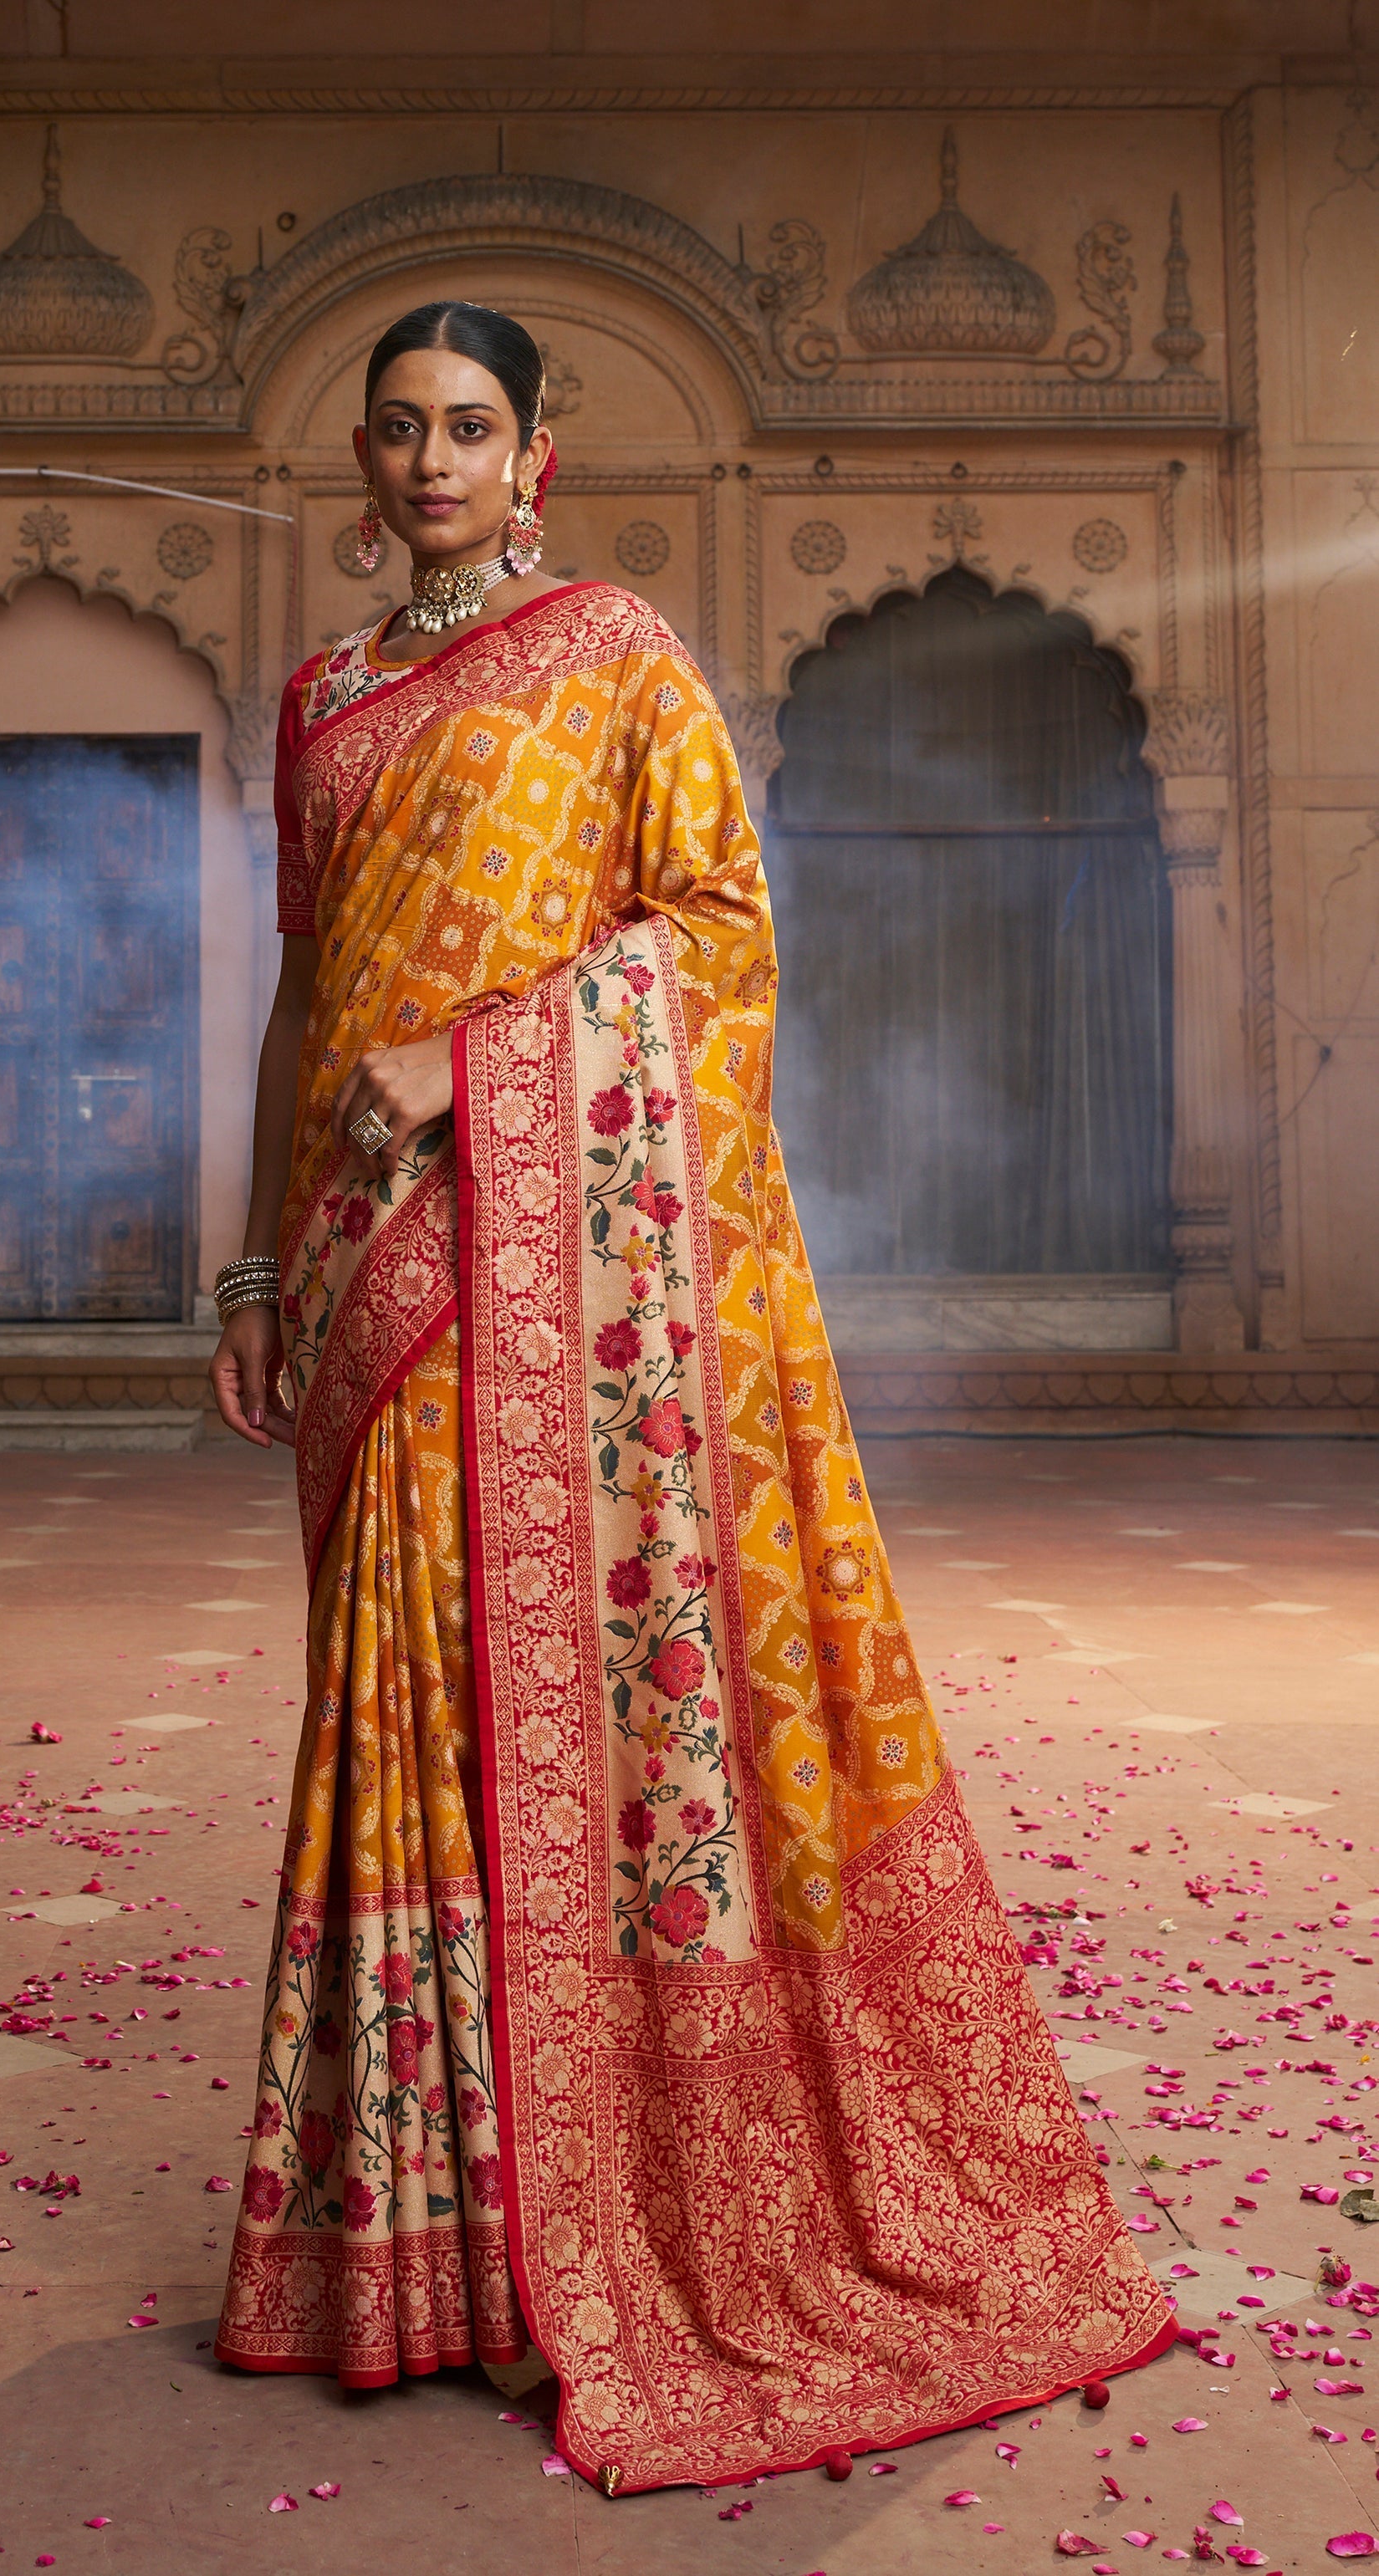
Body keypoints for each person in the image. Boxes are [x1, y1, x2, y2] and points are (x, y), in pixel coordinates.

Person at [207, 298, 1172, 2497]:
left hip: (528, 1252)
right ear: (361, 463)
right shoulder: (327, 701)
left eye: (470, 425)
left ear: (538, 454)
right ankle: (421, 2238)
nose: (432, 457)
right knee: (395, 1702)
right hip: (362, 1270)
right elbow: (300, 990)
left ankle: (590, 2218)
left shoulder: (615, 651)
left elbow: (715, 945)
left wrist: (463, 1076)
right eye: (398, 428)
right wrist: (260, 1261)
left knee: (546, 1701)